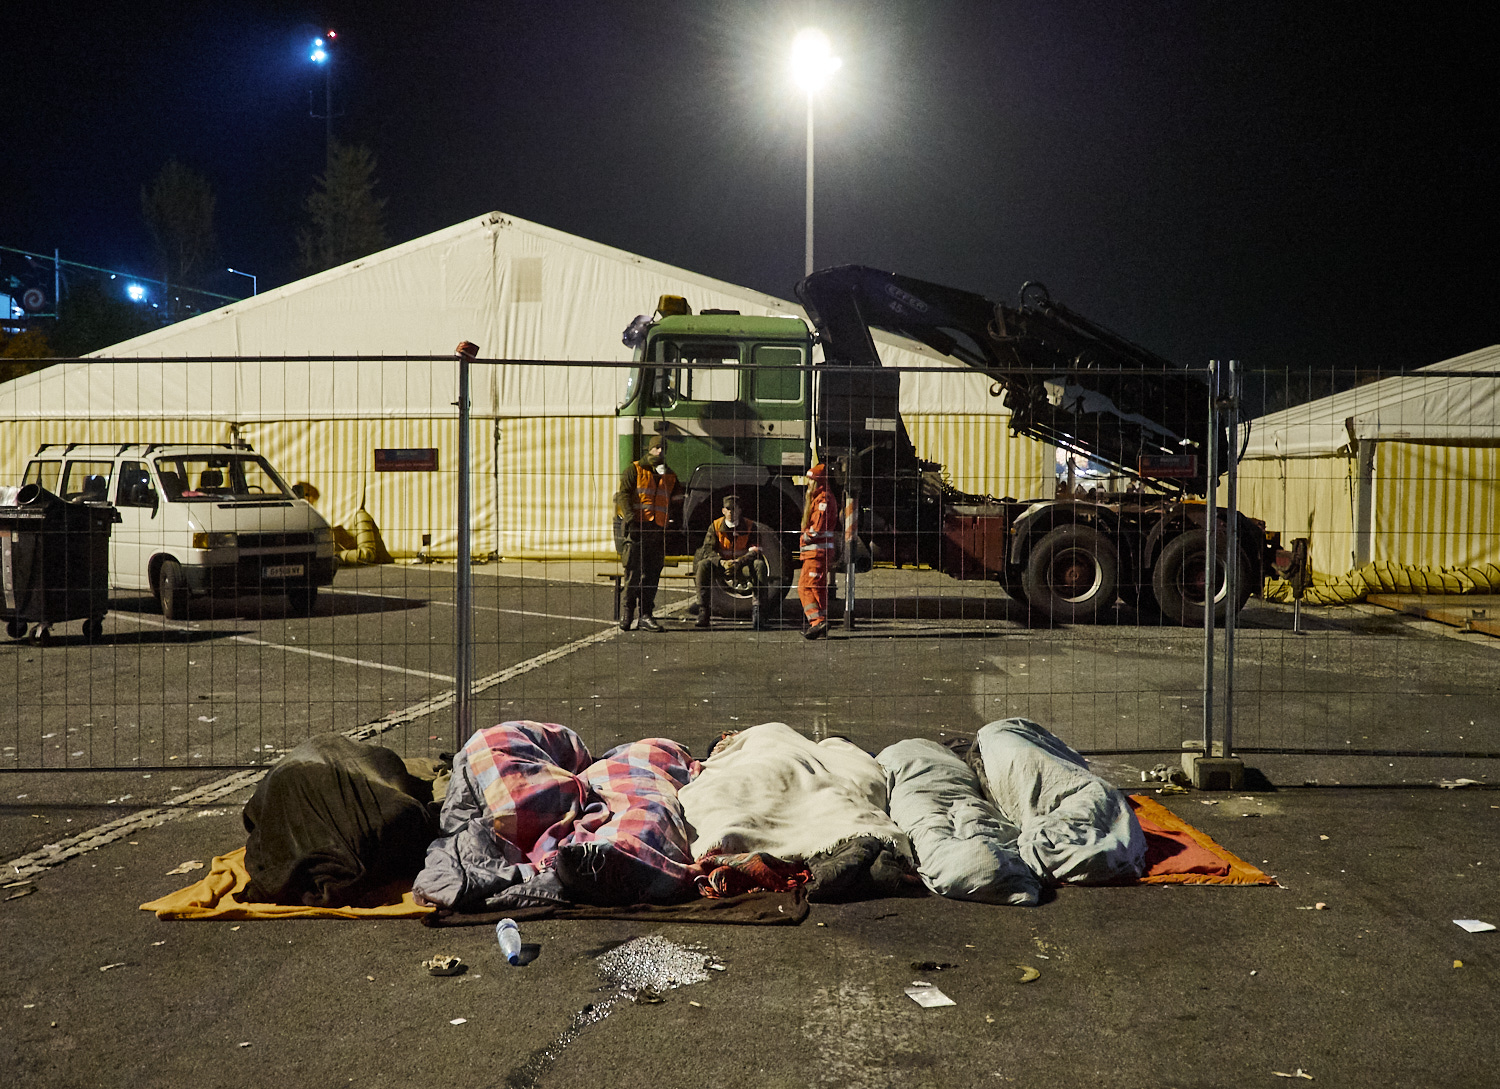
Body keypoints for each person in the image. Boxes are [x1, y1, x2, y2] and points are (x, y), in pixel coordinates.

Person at [613, 436, 678, 631]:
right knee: (632, 574)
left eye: (663, 448)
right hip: (637, 529)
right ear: (649, 449)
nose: (660, 451)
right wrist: (630, 518)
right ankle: (628, 613)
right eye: (656, 447)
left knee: (652, 575)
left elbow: (674, 500)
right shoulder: (634, 469)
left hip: (657, 531)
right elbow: (623, 495)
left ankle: (646, 615)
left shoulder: (669, 475)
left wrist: (672, 521)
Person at [692, 494, 770, 630]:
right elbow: (707, 550)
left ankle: (759, 611)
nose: (730, 512)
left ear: (740, 510)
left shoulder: (750, 526)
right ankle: (703, 610)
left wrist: (739, 562)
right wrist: (722, 562)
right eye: (728, 509)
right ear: (723, 511)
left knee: (760, 565)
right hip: (722, 566)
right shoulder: (715, 526)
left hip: (743, 566)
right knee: (703, 565)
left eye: (734, 509)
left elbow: (756, 550)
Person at [797, 462, 837, 640]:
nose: (808, 484)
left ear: (818, 482)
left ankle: (817, 621)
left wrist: (806, 537)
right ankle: (822, 624)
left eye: (811, 480)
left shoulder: (823, 500)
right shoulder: (823, 498)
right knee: (818, 588)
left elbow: (817, 527)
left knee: (804, 587)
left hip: (816, 553)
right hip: (819, 552)